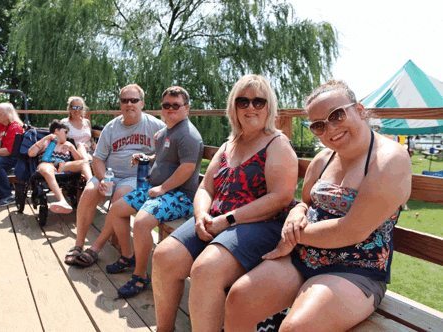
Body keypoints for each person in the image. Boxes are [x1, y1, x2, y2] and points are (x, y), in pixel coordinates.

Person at [223, 79, 412, 332]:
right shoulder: (324, 158)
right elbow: (305, 202)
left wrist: (291, 235)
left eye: (337, 115)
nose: (330, 129)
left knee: (295, 328)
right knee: (240, 297)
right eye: (319, 125)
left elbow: (351, 230)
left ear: (360, 110)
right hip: (303, 258)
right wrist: (297, 213)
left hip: (354, 270)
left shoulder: (389, 160)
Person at [152, 75, 298, 332]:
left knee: (206, 270)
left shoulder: (277, 143)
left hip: (260, 223)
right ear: (234, 107)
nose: (250, 107)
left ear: (269, 106)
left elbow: (281, 197)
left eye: (258, 101)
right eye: (243, 101)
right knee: (164, 256)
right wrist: (200, 216)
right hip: (217, 220)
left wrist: (227, 220)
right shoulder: (228, 145)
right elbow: (206, 188)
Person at [99, 86, 204, 299]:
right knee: (117, 209)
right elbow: (163, 157)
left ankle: (140, 276)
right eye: (167, 105)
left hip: (179, 195)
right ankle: (128, 256)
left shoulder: (188, 135)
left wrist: (163, 188)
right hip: (157, 190)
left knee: (141, 222)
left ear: (187, 108)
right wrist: (146, 157)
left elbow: (187, 168)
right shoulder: (165, 131)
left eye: (176, 105)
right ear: (162, 108)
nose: (171, 109)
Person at [64, 84, 166, 265]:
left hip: (135, 178)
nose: (129, 104)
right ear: (120, 104)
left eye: (134, 100)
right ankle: (78, 244)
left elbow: (167, 154)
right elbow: (97, 159)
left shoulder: (156, 126)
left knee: (120, 197)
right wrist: (103, 179)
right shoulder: (111, 128)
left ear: (142, 103)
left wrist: (149, 157)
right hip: (109, 174)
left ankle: (96, 247)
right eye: (125, 100)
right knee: (89, 192)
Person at [27, 119, 92, 214]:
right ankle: (62, 201)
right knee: (48, 170)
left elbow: (80, 161)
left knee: (84, 163)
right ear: (56, 131)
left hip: (62, 166)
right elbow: (31, 153)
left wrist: (71, 148)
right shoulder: (46, 142)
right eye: (65, 132)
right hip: (47, 164)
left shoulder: (68, 144)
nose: (67, 135)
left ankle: (92, 186)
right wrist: (46, 138)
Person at [61, 96, 96, 162]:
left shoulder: (87, 122)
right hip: (74, 153)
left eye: (79, 107)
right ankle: (89, 163)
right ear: (69, 108)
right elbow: (60, 140)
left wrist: (93, 143)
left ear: (83, 109)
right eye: (74, 107)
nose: (77, 110)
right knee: (82, 148)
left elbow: (90, 138)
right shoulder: (64, 123)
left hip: (89, 151)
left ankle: (89, 163)